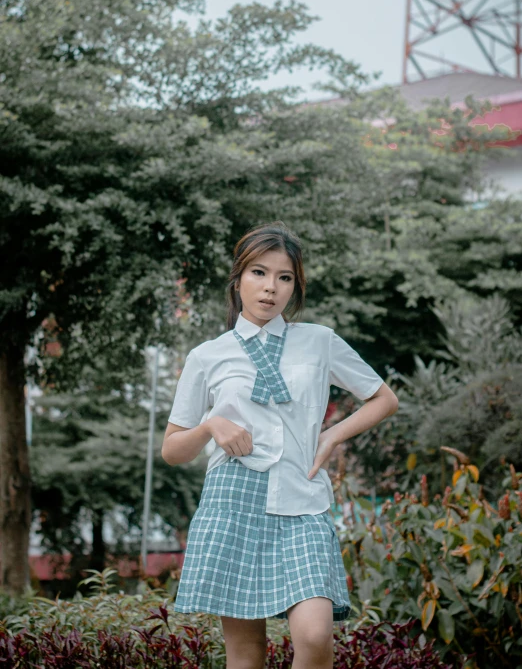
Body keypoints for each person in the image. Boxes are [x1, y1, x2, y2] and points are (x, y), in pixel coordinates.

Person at [162, 220, 399, 669]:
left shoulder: (319, 341)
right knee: (246, 653)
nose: (271, 287)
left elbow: (383, 398)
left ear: (295, 285)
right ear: (238, 280)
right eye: (259, 273)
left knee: (314, 636)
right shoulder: (207, 355)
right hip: (232, 502)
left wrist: (331, 434)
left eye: (284, 277)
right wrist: (212, 425)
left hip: (301, 499)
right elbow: (172, 450)